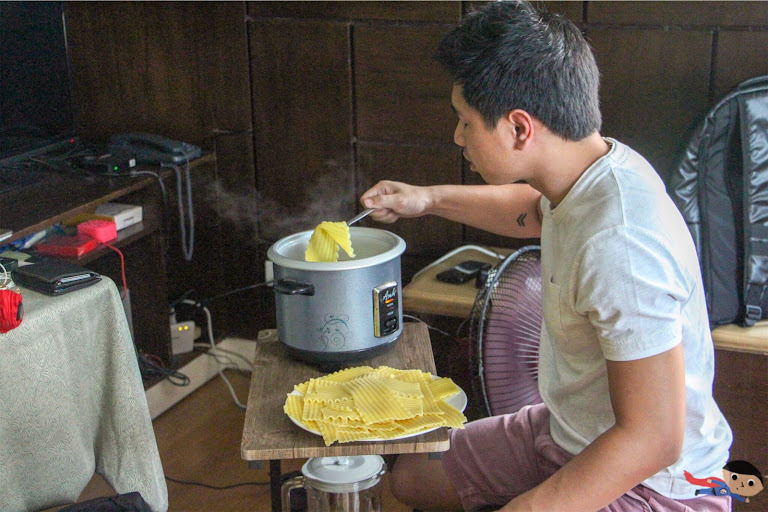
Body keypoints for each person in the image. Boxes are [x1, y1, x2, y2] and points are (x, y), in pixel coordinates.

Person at [359, 2, 733, 511]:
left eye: (466, 122)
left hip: (659, 483)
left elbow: (654, 438)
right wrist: (425, 199)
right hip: (568, 430)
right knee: (414, 479)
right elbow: (535, 212)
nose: (457, 136)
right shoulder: (587, 169)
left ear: (519, 128)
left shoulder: (621, 242)